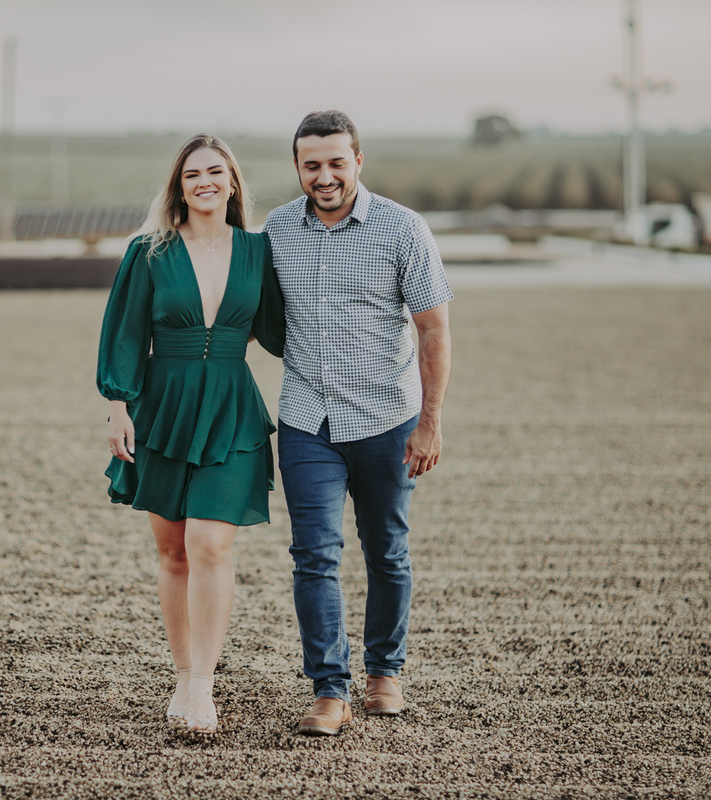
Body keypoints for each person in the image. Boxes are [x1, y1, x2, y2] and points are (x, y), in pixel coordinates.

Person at [263, 110, 453, 736]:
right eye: (311, 164)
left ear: (358, 161)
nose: (324, 176)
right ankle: (328, 689)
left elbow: (433, 329)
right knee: (313, 555)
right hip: (306, 420)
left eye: (336, 162)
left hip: (385, 420)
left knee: (386, 552)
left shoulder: (403, 229)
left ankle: (384, 673)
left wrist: (429, 423)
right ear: (298, 167)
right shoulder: (278, 229)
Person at [96, 134, 284, 737]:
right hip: (163, 409)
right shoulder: (148, 251)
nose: (204, 181)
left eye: (216, 171)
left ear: (232, 182)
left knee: (210, 543)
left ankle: (203, 684)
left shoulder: (259, 251)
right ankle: (182, 674)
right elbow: (123, 334)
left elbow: (284, 329)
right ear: (179, 186)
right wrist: (118, 406)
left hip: (231, 405)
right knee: (173, 550)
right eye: (192, 173)